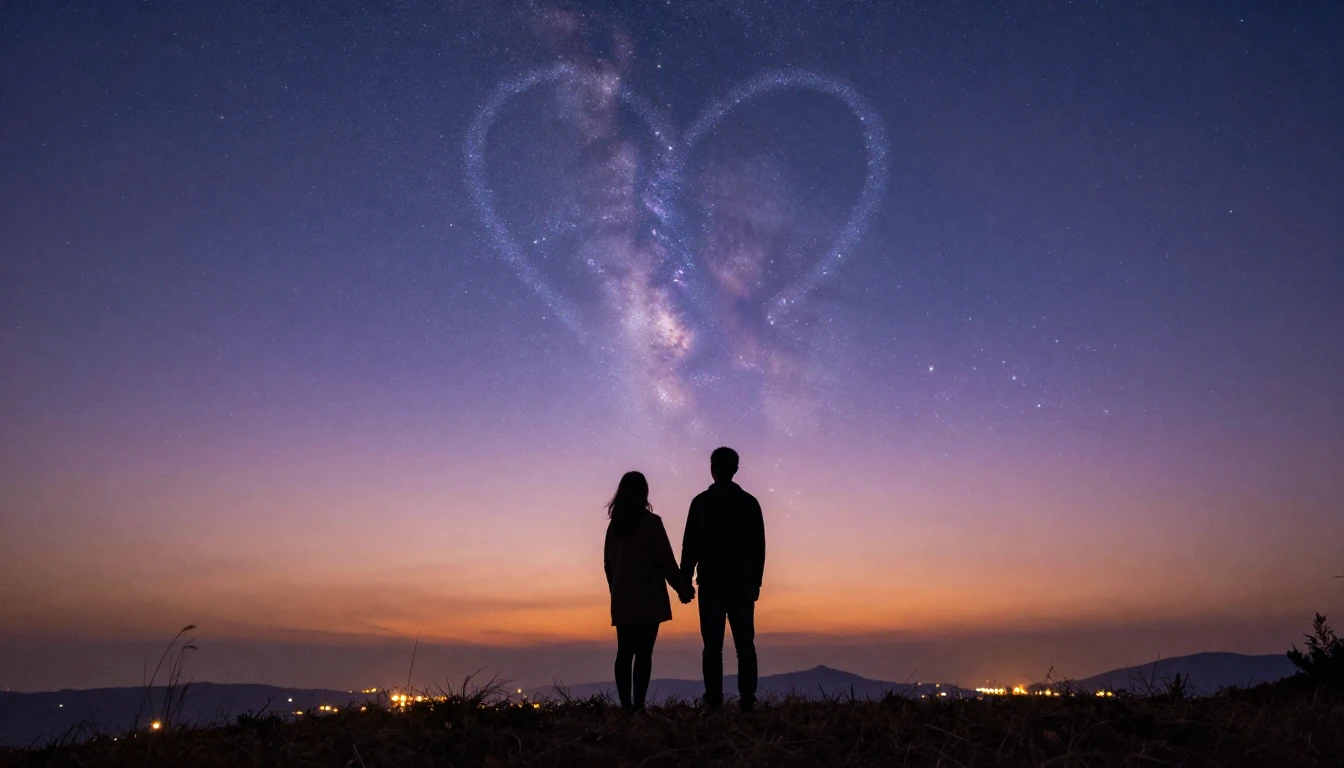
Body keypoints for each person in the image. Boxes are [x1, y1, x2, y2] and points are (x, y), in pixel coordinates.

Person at [680, 446, 765, 711]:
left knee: (712, 647)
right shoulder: (749, 503)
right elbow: (758, 547)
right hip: (741, 584)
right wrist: (756, 583)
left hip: (712, 584)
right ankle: (747, 701)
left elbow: (689, 546)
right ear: (736, 469)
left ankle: (714, 701)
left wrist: (684, 581)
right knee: (745, 646)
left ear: (712, 469)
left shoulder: (701, 503)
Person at [603, 471, 694, 713]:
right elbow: (666, 561)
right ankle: (639, 706)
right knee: (643, 653)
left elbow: (608, 564)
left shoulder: (615, 527)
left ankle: (626, 706)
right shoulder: (651, 524)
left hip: (623, 598)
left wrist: (616, 589)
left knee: (624, 652)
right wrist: (683, 589)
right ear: (644, 493)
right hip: (649, 597)